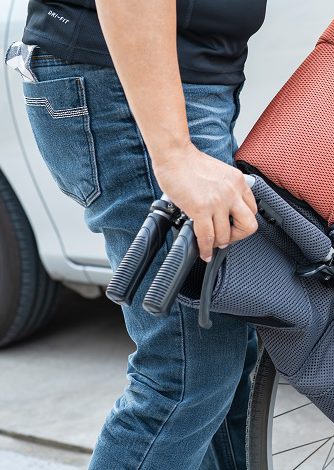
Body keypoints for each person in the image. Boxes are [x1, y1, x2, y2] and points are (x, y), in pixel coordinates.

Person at [7, 0, 265, 468]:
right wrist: (174, 154)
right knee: (187, 372)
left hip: (174, 85)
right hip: (132, 93)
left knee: (218, 351)